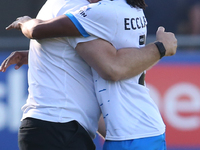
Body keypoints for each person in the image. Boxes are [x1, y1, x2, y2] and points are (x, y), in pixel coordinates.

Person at [1, 0, 177, 150]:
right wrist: (40, 55)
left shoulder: (93, 10)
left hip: (76, 130)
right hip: (70, 130)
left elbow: (112, 68)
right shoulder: (124, 7)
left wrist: (25, 22)